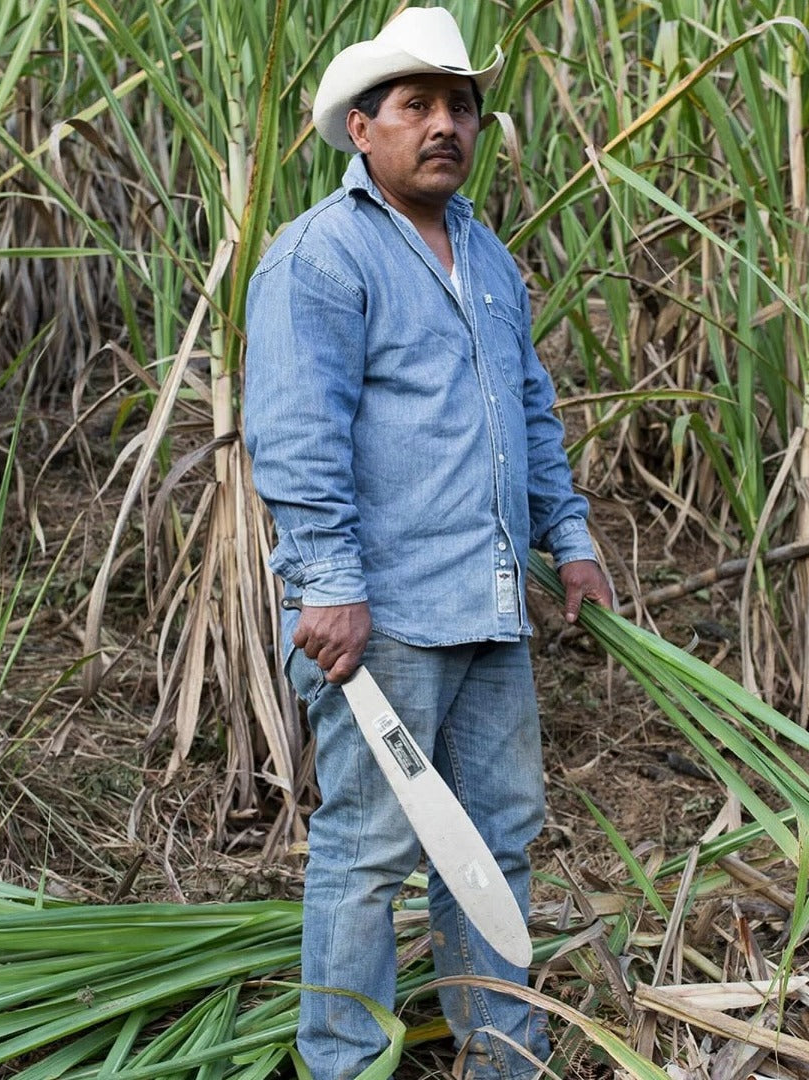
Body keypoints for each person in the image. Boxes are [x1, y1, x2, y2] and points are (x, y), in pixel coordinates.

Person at [244, 8, 613, 1078]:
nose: (444, 125)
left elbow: (529, 411)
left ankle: (504, 1059)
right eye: (417, 106)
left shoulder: (490, 259)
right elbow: (299, 435)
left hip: (490, 608)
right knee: (366, 854)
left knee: (496, 843)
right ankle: (345, 1064)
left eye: (459, 106)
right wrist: (329, 586)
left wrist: (571, 537)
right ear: (363, 129)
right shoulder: (319, 258)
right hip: (383, 616)